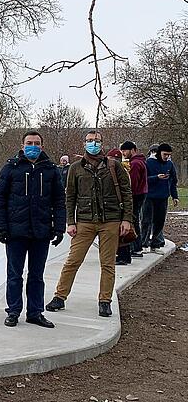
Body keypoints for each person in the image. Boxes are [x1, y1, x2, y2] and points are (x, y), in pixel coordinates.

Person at [46, 130, 133, 318]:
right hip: (84, 221)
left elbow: (126, 193)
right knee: (72, 261)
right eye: (90, 140)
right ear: (84, 143)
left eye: (97, 140)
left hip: (110, 220)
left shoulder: (114, 166)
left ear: (102, 143)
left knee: (108, 264)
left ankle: (104, 300)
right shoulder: (76, 168)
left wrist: (127, 218)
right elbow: (70, 197)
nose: (93, 143)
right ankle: (60, 296)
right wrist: (71, 221)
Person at [0, 131, 65, 329]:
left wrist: (59, 227)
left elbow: (59, 201)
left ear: (42, 146)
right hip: (16, 231)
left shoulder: (51, 169)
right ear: (22, 145)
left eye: (37, 143)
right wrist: (1, 227)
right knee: (14, 274)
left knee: (37, 275)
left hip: (41, 231)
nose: (33, 146)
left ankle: (35, 312)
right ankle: (13, 311)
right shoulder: (10, 168)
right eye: (29, 143)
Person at [141, 143, 180, 254]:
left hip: (163, 197)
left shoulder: (170, 164)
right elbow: (144, 179)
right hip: (149, 196)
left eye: (169, 155)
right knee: (146, 220)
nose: (167, 156)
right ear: (159, 153)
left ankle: (156, 244)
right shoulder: (148, 163)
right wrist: (156, 177)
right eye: (165, 154)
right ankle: (144, 243)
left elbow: (173, 181)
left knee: (160, 221)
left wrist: (174, 196)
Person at [120, 141, 147, 257]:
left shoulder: (135, 164)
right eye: (122, 151)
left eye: (125, 150)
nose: (123, 153)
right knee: (135, 220)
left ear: (133, 150)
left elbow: (132, 183)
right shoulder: (140, 161)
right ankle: (137, 246)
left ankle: (136, 247)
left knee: (133, 221)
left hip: (135, 195)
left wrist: (126, 196)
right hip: (141, 193)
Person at [107, 149, 132, 265]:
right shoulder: (123, 169)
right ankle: (123, 255)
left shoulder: (118, 171)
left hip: (119, 203)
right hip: (120, 203)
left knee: (121, 232)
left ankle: (123, 256)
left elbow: (126, 189)